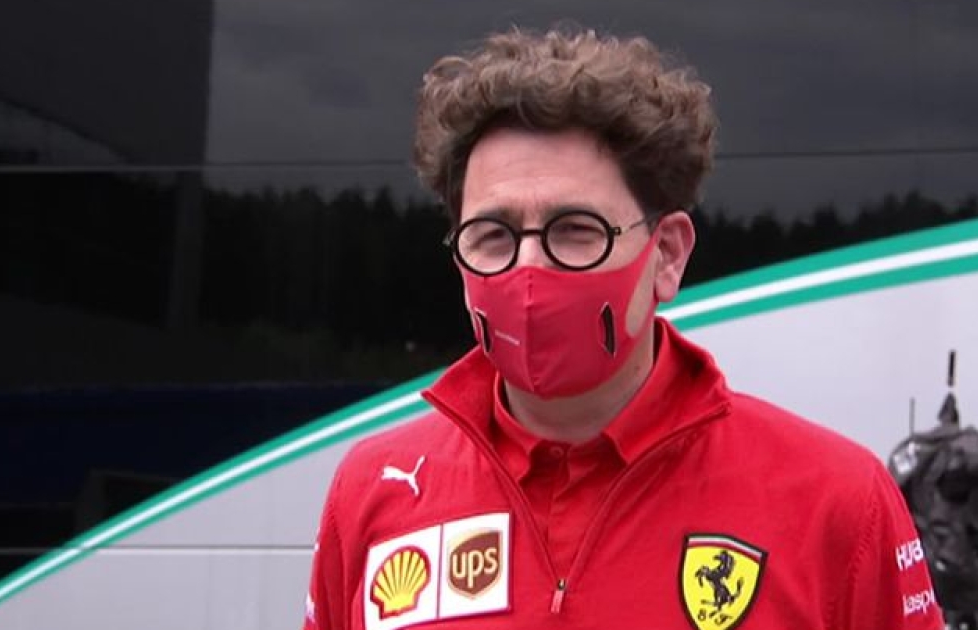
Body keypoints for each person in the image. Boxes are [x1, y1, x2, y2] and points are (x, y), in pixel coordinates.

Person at [302, 27, 943, 630]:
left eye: (575, 230)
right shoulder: (373, 490)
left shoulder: (835, 500)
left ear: (667, 255)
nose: (530, 267)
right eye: (493, 234)